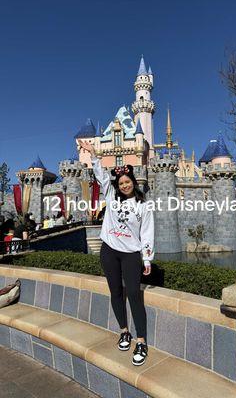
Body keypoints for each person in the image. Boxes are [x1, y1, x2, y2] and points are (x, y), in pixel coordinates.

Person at [78, 139, 154, 367]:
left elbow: (148, 232)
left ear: (133, 182)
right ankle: (124, 332)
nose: (124, 185)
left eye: (127, 181)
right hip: (109, 251)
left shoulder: (143, 205)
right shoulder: (110, 195)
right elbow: (101, 174)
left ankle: (141, 341)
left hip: (131, 253)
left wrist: (147, 257)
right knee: (115, 293)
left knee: (134, 294)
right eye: (121, 182)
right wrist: (94, 155)